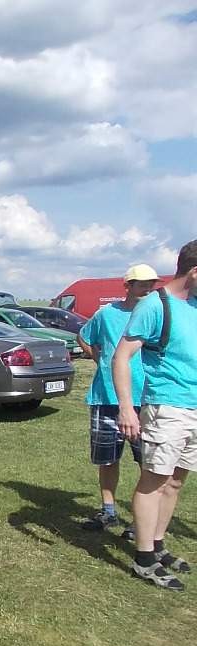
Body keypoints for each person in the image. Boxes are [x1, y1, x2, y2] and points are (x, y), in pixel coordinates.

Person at [113, 240, 197, 591]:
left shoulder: (194, 305)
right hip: (166, 407)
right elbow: (121, 357)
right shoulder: (155, 305)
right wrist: (126, 408)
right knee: (154, 481)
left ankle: (157, 544)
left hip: (194, 407)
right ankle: (144, 559)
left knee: (176, 481)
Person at [78, 264, 158, 533]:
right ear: (128, 286)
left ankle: (140, 521)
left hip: (144, 397)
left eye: (151, 285)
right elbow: (84, 336)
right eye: (142, 284)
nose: (148, 289)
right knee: (107, 459)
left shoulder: (155, 314)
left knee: (148, 462)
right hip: (106, 397)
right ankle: (109, 511)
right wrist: (99, 359)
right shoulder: (107, 314)